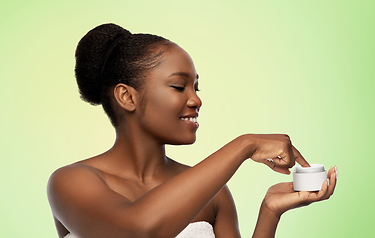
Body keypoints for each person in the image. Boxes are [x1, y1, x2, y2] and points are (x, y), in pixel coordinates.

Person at [47, 23, 337, 238]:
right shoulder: (70, 182)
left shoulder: (214, 194)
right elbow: (138, 231)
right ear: (127, 97)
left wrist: (270, 212)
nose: (196, 99)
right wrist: (244, 145)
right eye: (178, 86)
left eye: (196, 87)